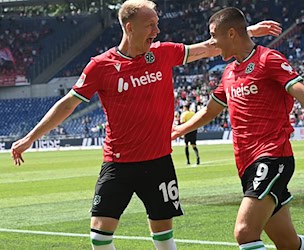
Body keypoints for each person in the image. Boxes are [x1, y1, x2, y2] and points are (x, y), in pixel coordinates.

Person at [10, 1, 282, 249]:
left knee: (163, 235)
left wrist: (249, 31)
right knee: (99, 236)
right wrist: (30, 137)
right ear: (129, 27)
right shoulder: (101, 66)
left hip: (158, 162)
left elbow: (207, 48)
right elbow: (68, 104)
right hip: (118, 163)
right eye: (150, 24)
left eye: (157, 23)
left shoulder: (163, 53)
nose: (157, 29)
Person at [172, 7, 304, 250]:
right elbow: (209, 112)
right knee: (288, 243)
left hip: (271, 157)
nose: (212, 42)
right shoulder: (229, 72)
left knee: (245, 233)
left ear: (230, 34)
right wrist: (176, 131)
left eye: (214, 35)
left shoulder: (268, 59)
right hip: (246, 163)